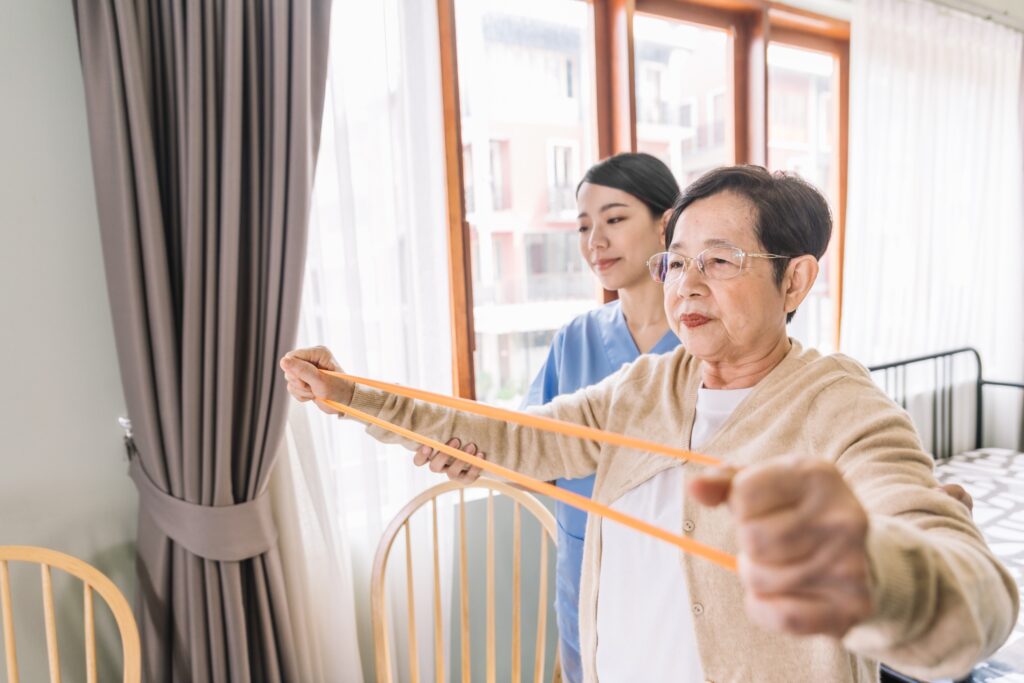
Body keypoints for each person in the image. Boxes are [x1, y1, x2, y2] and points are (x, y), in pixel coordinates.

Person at [281, 166, 1016, 682]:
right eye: (676, 262)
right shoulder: (648, 383)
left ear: (794, 279)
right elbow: (516, 435)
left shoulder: (841, 404)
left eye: (721, 261)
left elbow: (969, 598)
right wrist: (355, 398)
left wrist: (874, 574)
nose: (686, 285)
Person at [414, 151, 680, 683]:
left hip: (676, 580)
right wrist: (475, 461)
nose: (594, 242)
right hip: (587, 575)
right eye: (583, 226)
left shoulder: (704, 342)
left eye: (615, 218)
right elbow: (527, 449)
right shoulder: (575, 339)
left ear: (666, 223)